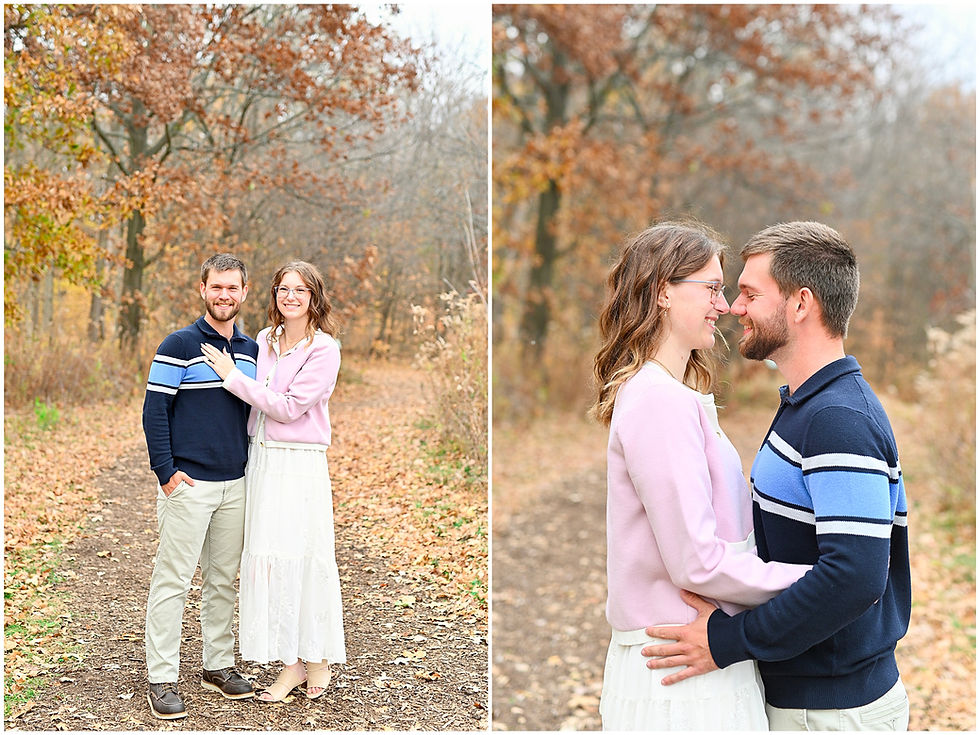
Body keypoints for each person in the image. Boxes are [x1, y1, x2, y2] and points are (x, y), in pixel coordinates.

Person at [642, 221, 912, 731]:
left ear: (801, 303)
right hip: (808, 699)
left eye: (749, 293)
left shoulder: (839, 420)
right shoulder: (807, 407)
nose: (733, 307)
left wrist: (726, 642)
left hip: (831, 710)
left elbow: (855, 576)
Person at [591, 221, 812, 730]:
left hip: (694, 654)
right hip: (678, 669)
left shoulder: (668, 394)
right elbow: (697, 561)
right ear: (663, 292)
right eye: (711, 288)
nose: (726, 304)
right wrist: (813, 582)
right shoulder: (656, 401)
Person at [201, 260, 346, 703]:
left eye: (301, 290)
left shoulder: (324, 349)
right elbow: (257, 407)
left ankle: (317, 656)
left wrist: (233, 378)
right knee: (269, 557)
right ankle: (291, 664)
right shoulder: (264, 340)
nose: (291, 297)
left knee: (302, 556)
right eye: (284, 289)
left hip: (299, 464)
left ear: (314, 297)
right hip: (260, 461)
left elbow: (287, 407)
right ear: (274, 295)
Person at [142, 253, 259, 720]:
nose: (224, 295)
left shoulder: (252, 351)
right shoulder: (179, 344)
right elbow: (154, 412)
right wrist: (166, 472)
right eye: (217, 287)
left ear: (245, 292)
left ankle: (218, 664)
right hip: (188, 484)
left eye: (233, 288)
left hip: (236, 483)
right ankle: (162, 677)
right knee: (172, 580)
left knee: (222, 581)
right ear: (203, 289)